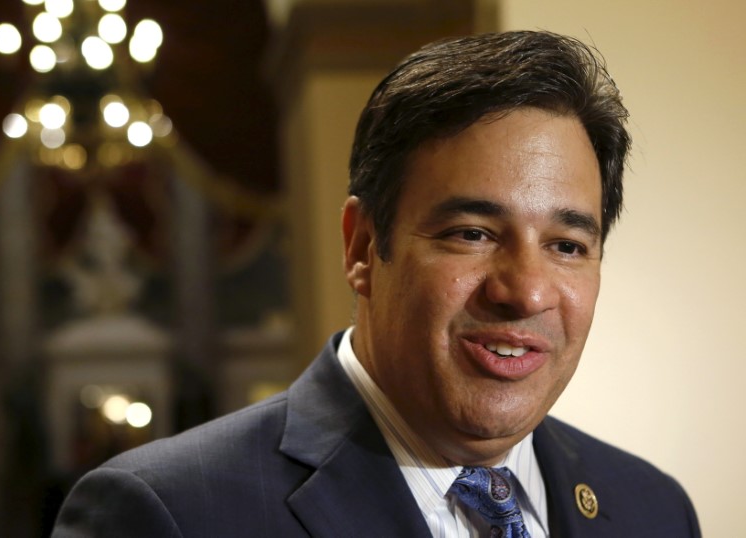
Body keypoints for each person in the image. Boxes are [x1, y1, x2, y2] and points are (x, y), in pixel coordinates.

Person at [52, 31, 701, 537]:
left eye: (566, 246)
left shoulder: (653, 509)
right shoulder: (167, 515)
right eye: (472, 233)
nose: (526, 292)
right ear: (363, 246)